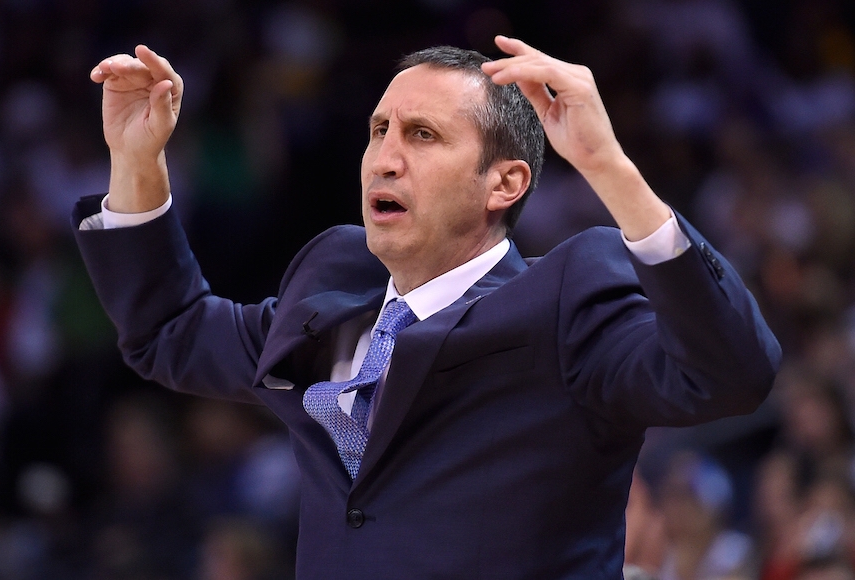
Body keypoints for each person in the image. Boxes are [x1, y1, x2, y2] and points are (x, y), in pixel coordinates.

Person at [73, 35, 781, 579]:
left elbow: (732, 373)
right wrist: (137, 163)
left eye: (422, 135)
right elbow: (171, 332)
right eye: (379, 130)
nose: (383, 158)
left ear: (504, 183)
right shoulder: (330, 293)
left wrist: (611, 170)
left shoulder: (565, 305)